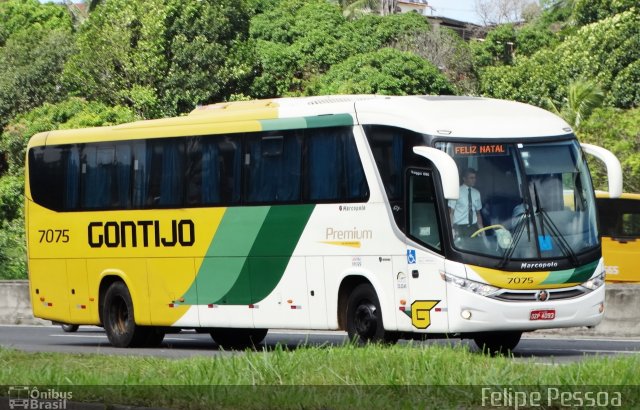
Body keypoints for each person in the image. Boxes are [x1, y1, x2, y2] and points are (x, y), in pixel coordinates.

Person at [449, 168, 484, 239]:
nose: (474, 180)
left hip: (473, 227)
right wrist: (450, 228)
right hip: (459, 227)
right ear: (464, 179)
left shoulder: (477, 193)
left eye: (474, 178)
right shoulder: (456, 191)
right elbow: (451, 212)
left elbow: (478, 213)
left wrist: (481, 229)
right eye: (471, 178)